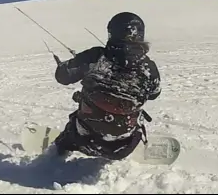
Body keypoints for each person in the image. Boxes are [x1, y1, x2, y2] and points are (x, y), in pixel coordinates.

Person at [51, 12, 162, 161]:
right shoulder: (149, 67)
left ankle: (57, 153)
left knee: (72, 129)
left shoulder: (96, 56)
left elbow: (62, 76)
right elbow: (154, 94)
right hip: (123, 146)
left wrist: (64, 66)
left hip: (83, 137)